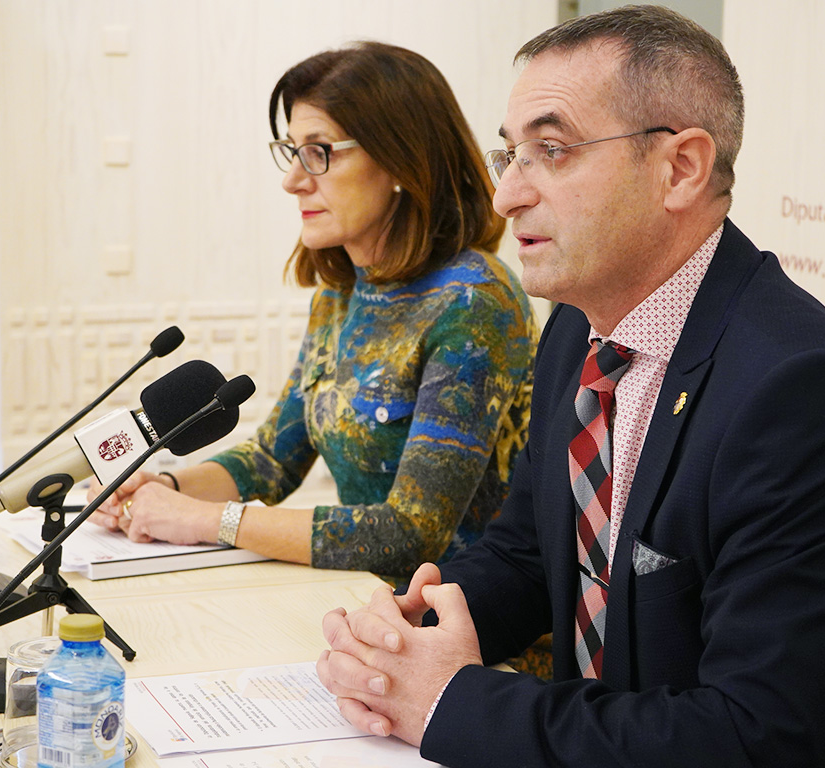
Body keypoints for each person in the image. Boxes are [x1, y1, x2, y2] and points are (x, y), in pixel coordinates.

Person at [316, 7, 825, 767]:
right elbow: (529, 553)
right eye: (509, 154)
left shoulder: (802, 392)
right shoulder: (575, 332)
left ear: (680, 168)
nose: (506, 195)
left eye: (551, 151)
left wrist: (449, 704)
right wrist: (409, 631)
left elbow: (750, 735)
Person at [88, 41, 537, 581]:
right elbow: (273, 459)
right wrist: (164, 488)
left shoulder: (474, 301)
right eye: (292, 151)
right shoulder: (340, 295)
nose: (293, 180)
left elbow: (410, 533)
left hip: (463, 621)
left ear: (401, 159)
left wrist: (207, 520)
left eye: (320, 151)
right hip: (366, 605)